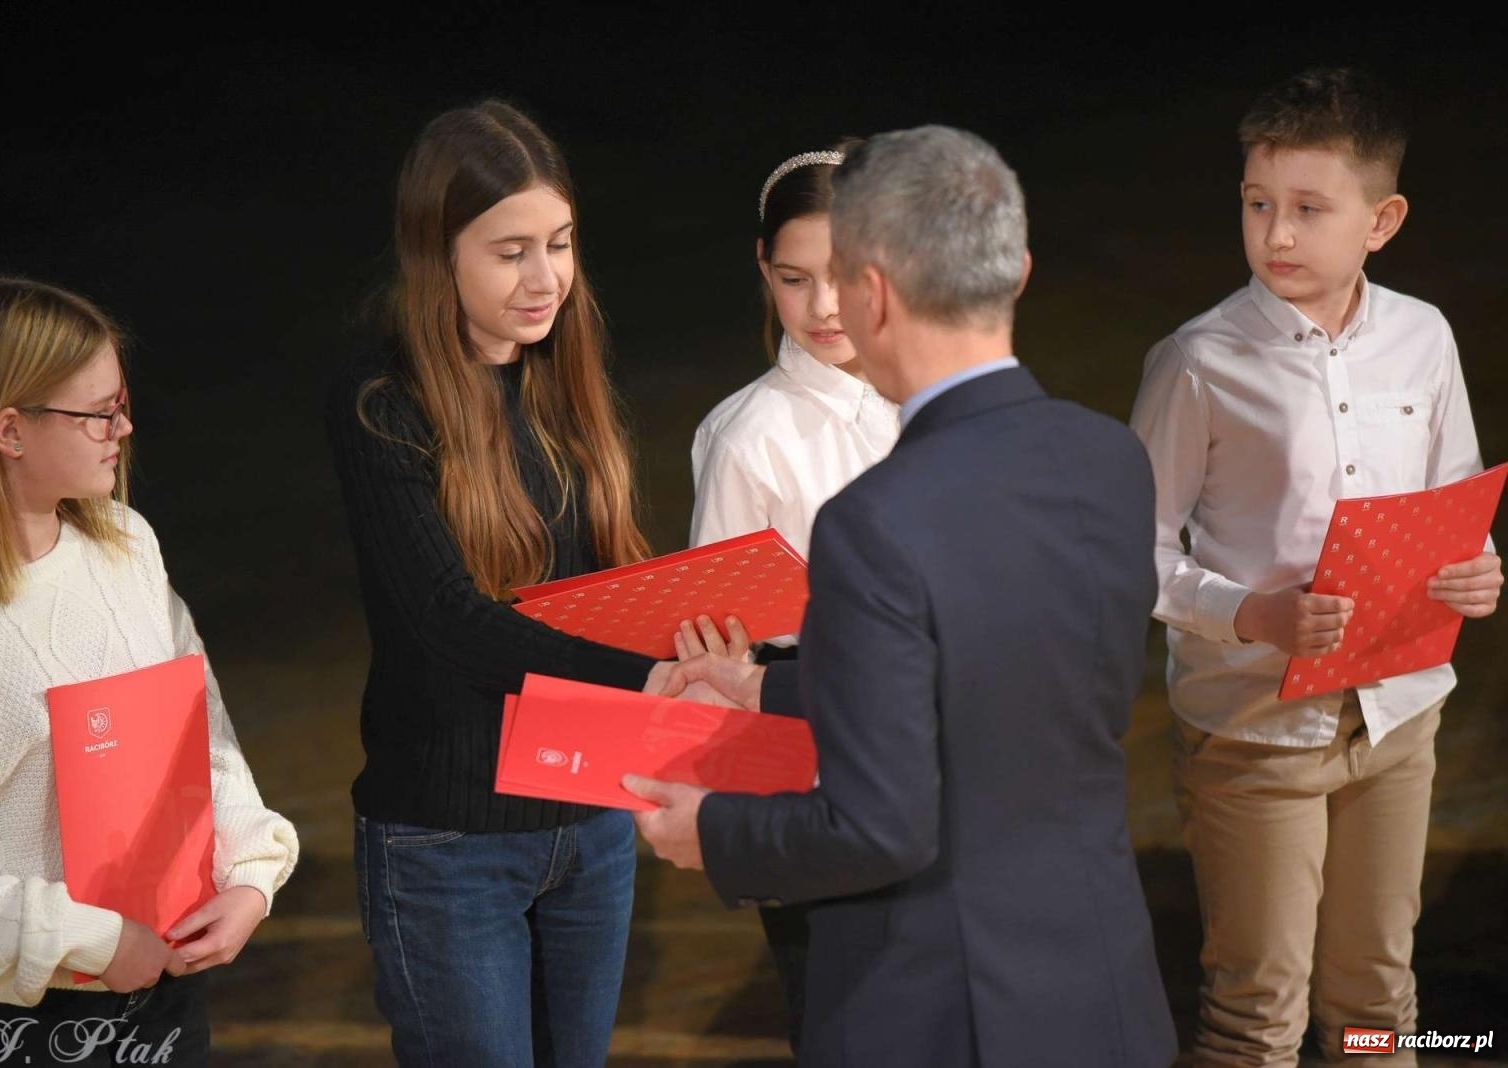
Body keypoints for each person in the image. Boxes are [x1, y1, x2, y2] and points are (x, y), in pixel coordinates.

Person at [628, 126, 1177, 1068]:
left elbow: (880, 826)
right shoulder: (1110, 459)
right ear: (1020, 270)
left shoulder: (875, 521)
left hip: (949, 1006)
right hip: (1101, 987)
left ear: (873, 292)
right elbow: (989, 691)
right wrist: (764, 689)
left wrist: (711, 833)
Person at [325, 100, 740, 1067]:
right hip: (450, 843)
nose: (545, 278)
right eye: (510, 251)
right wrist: (641, 679)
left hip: (587, 817)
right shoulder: (381, 400)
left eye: (559, 243)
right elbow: (448, 617)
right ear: (439, 253)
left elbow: (602, 579)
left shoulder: (563, 367)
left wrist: (698, 632)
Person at [1127, 68, 1499, 1066]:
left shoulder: (1423, 337)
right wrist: (1255, 614)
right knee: (1258, 1015)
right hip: (1254, 734)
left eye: (1306, 210)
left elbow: (1456, 499)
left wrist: (1478, 568)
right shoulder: (1198, 360)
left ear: (1381, 221)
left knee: (1379, 998)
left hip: (1398, 712)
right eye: (1257, 205)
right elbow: (1133, 556)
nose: (1275, 236)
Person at [0, 278, 298, 1066]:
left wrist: (251, 877)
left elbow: (202, 733)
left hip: (165, 985)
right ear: (9, 431)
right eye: (98, 412)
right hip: (9, 1025)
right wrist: (94, 939)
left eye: (120, 403)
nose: (122, 428)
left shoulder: (127, 545)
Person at [686, 142, 897, 1051]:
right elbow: (717, 645)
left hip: (938, 759)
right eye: (794, 278)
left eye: (846, 274)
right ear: (762, 273)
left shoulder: (930, 393)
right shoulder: (750, 439)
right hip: (813, 767)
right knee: (846, 1025)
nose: (823, 307)